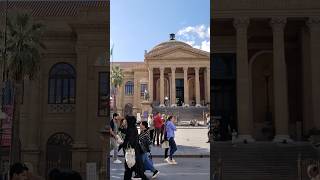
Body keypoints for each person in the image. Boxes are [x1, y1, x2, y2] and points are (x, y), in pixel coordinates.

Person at [121, 116, 148, 180]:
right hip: (134, 153)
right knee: (132, 171)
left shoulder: (131, 129)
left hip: (133, 153)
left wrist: (123, 144)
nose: (125, 122)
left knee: (132, 170)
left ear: (129, 122)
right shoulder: (132, 128)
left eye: (126, 121)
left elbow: (131, 142)